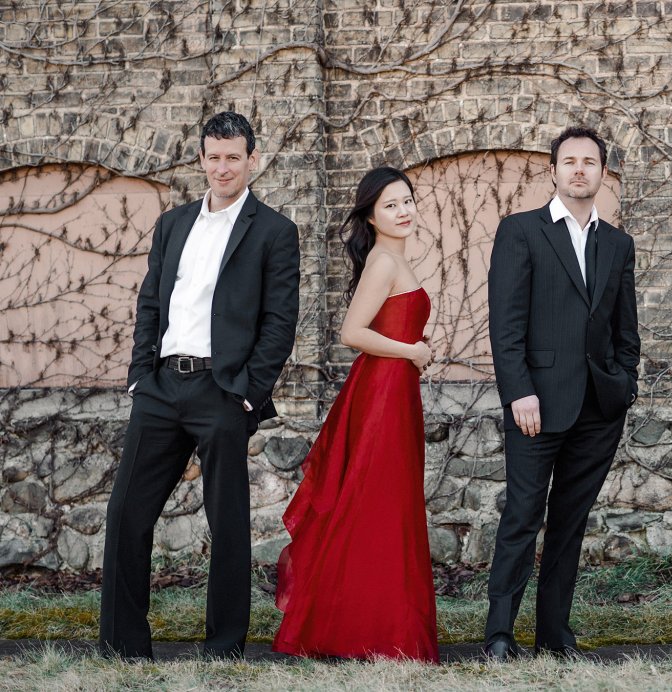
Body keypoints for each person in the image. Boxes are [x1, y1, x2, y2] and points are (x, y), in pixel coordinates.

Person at [99, 111, 300, 659]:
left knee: (228, 523)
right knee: (127, 515)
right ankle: (122, 646)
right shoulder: (174, 224)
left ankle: (225, 646)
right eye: (213, 156)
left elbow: (281, 322)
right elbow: (151, 303)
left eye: (233, 156)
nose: (223, 167)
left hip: (223, 390)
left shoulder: (275, 231)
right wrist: (142, 376)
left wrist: (247, 393)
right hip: (162, 387)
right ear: (201, 159)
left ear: (252, 160)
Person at [483, 126, 641, 660]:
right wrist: (518, 393)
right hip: (536, 406)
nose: (579, 169)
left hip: (598, 409)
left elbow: (627, 329)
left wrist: (625, 384)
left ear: (602, 173)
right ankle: (500, 633)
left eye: (589, 162)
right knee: (523, 517)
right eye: (569, 161)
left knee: (570, 524)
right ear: (552, 171)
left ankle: (553, 634)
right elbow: (505, 325)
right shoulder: (521, 232)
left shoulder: (618, 244)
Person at [272, 167, 439, 663]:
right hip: (382, 395)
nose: (403, 210)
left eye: (407, 200)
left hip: (395, 393)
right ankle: (367, 630)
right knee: (374, 505)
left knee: (386, 505)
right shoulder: (384, 262)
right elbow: (352, 332)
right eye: (390, 205)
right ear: (371, 214)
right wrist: (411, 352)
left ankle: (381, 626)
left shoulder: (394, 260)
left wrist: (412, 352)